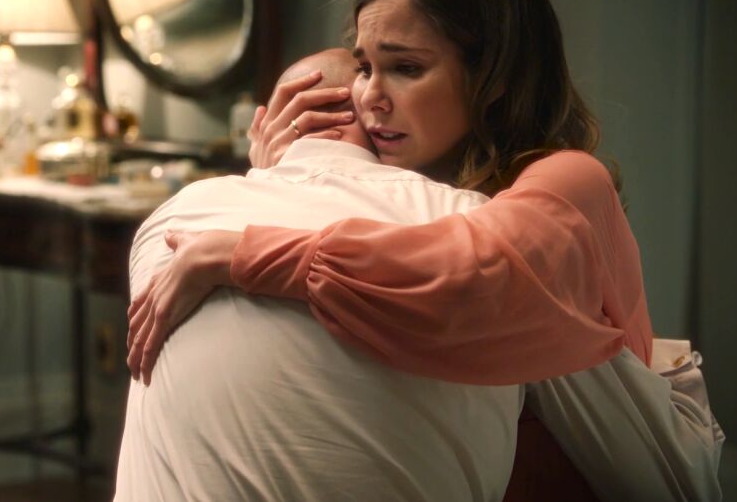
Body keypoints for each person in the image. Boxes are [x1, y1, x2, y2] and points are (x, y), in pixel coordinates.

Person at [125, 0, 724, 501]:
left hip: (613, 456)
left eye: (407, 68)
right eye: (365, 67)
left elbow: (467, 277)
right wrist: (278, 175)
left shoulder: (569, 177)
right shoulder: (416, 182)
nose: (370, 97)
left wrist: (235, 252)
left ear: (494, 80)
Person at [116, 48, 524, 502]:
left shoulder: (175, 218)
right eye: (368, 71)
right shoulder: (480, 224)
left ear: (269, 122)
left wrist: (265, 178)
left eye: (404, 68)